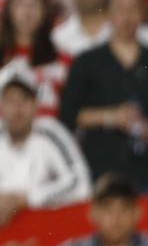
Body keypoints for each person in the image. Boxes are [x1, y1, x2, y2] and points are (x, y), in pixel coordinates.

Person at [57, 0, 148, 189]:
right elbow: (68, 114)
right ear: (108, 15)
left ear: (142, 13)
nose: (127, 17)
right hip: (102, 167)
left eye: (133, 9)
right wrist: (111, 117)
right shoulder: (87, 61)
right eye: (120, 9)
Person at [0, 70, 91, 225]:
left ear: (36, 104)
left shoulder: (50, 132)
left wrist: (26, 199)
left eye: (24, 100)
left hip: (41, 226)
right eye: (11, 101)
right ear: (1, 105)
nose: (18, 109)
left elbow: (81, 185)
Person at [49, 171, 148, 246]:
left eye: (124, 209)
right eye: (108, 209)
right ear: (93, 213)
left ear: (137, 213)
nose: (116, 218)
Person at [0, 0, 68, 114]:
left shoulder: (63, 58)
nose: (28, 10)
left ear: (45, 11)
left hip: (48, 131)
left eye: (35, 3)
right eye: (20, 3)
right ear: (8, 10)